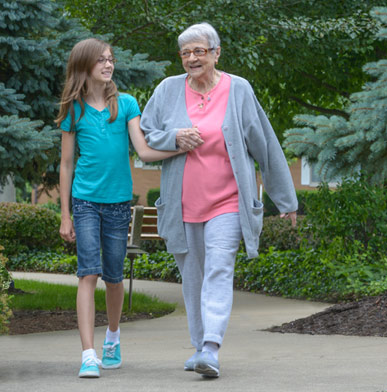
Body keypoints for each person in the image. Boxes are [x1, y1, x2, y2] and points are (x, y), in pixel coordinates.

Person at [140, 22, 298, 379]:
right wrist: (175, 137)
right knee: (192, 277)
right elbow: (146, 133)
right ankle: (200, 347)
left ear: (216, 53)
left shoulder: (238, 89)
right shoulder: (167, 90)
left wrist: (285, 199)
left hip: (227, 201)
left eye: (199, 51)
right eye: (186, 53)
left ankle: (211, 346)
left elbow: (265, 144)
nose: (192, 58)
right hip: (182, 205)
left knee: (219, 268)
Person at [56, 38, 186, 379]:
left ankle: (112, 337)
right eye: (100, 60)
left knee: (114, 277)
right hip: (84, 202)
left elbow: (143, 152)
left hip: (117, 205)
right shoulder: (74, 110)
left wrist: (178, 147)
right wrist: (65, 214)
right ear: (84, 66)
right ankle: (88, 354)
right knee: (88, 273)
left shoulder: (126, 104)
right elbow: (66, 163)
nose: (108, 64)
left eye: (110, 59)